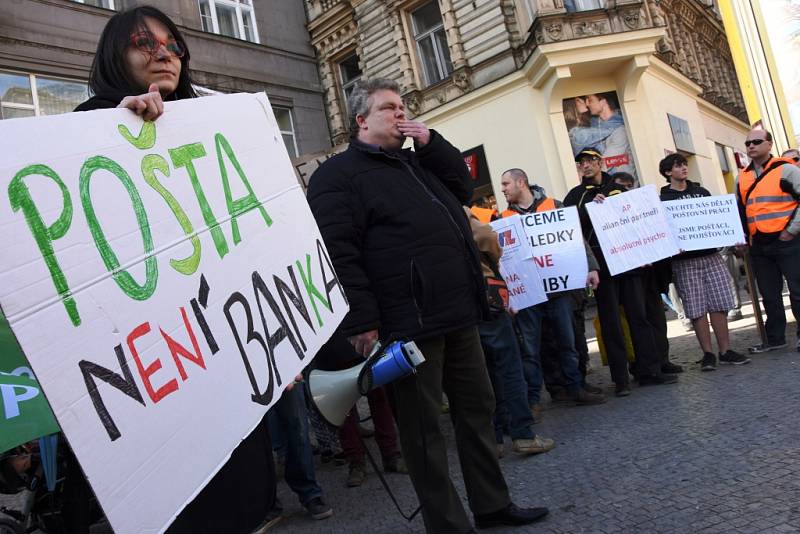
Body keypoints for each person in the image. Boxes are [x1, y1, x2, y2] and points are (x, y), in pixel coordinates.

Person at [307, 78, 548, 533]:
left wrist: (433, 142)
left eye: (403, 107)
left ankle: (492, 504)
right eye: (389, 109)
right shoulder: (337, 177)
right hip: (406, 324)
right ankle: (448, 523)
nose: (402, 115)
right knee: (423, 433)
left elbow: (463, 188)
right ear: (361, 120)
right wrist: (362, 321)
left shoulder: (418, 162)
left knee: (477, 407)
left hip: (457, 310)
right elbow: (338, 252)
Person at [75, 8, 278, 533]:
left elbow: (250, 241)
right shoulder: (87, 128)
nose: (164, 54)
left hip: (229, 349)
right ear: (115, 56)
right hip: (160, 367)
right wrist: (110, 133)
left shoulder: (210, 127)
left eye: (173, 44)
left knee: (245, 498)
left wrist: (281, 334)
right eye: (145, 43)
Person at [564, 148, 678, 396]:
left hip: (628, 262)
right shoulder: (574, 196)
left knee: (640, 317)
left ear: (600, 163)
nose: (586, 166)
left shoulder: (617, 188)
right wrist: (590, 210)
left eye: (590, 161)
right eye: (581, 162)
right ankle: (620, 379)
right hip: (602, 268)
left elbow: (635, 220)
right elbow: (571, 230)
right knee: (611, 323)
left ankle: (649, 371)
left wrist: (646, 252)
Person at [498, 169, 605, 408]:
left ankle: (575, 388)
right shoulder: (502, 217)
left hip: (559, 291)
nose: (503, 189)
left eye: (506, 183)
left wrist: (591, 267)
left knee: (567, 343)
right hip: (528, 296)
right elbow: (502, 259)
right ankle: (533, 401)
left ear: (521, 182)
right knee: (530, 350)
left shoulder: (553, 205)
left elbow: (576, 239)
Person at [465, 207, 555, 457]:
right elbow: (485, 236)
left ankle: (493, 439)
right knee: (508, 364)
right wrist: (491, 263)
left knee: (478, 372)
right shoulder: (448, 202)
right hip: (480, 293)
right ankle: (522, 433)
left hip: (451, 302)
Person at [658, 155, 749, 370]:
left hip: (711, 256)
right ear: (668, 172)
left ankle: (725, 350)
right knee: (696, 308)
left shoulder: (701, 192)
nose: (683, 168)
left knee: (719, 303)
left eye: (684, 165)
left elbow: (715, 220)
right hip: (685, 261)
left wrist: (731, 235)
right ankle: (708, 354)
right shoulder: (663, 200)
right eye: (678, 166)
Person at [612, 172, 684, 375]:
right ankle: (641, 363)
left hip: (652, 272)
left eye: (629, 186)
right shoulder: (609, 215)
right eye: (621, 187)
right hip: (629, 275)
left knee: (657, 317)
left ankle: (662, 359)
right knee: (637, 320)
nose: (626, 191)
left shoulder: (646, 207)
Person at [736, 129, 800, 353]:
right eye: (747, 143)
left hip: (787, 241)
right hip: (759, 245)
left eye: (756, 142)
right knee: (769, 295)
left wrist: (791, 230)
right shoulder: (742, 176)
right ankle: (775, 338)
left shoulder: (786, 170)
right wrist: (742, 237)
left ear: (769, 145)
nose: (751, 146)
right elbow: (740, 210)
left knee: (797, 290)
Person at [268, 387, 334, 520]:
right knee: (254, 437)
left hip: (281, 369)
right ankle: (265, 501)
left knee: (297, 425)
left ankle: (309, 492)